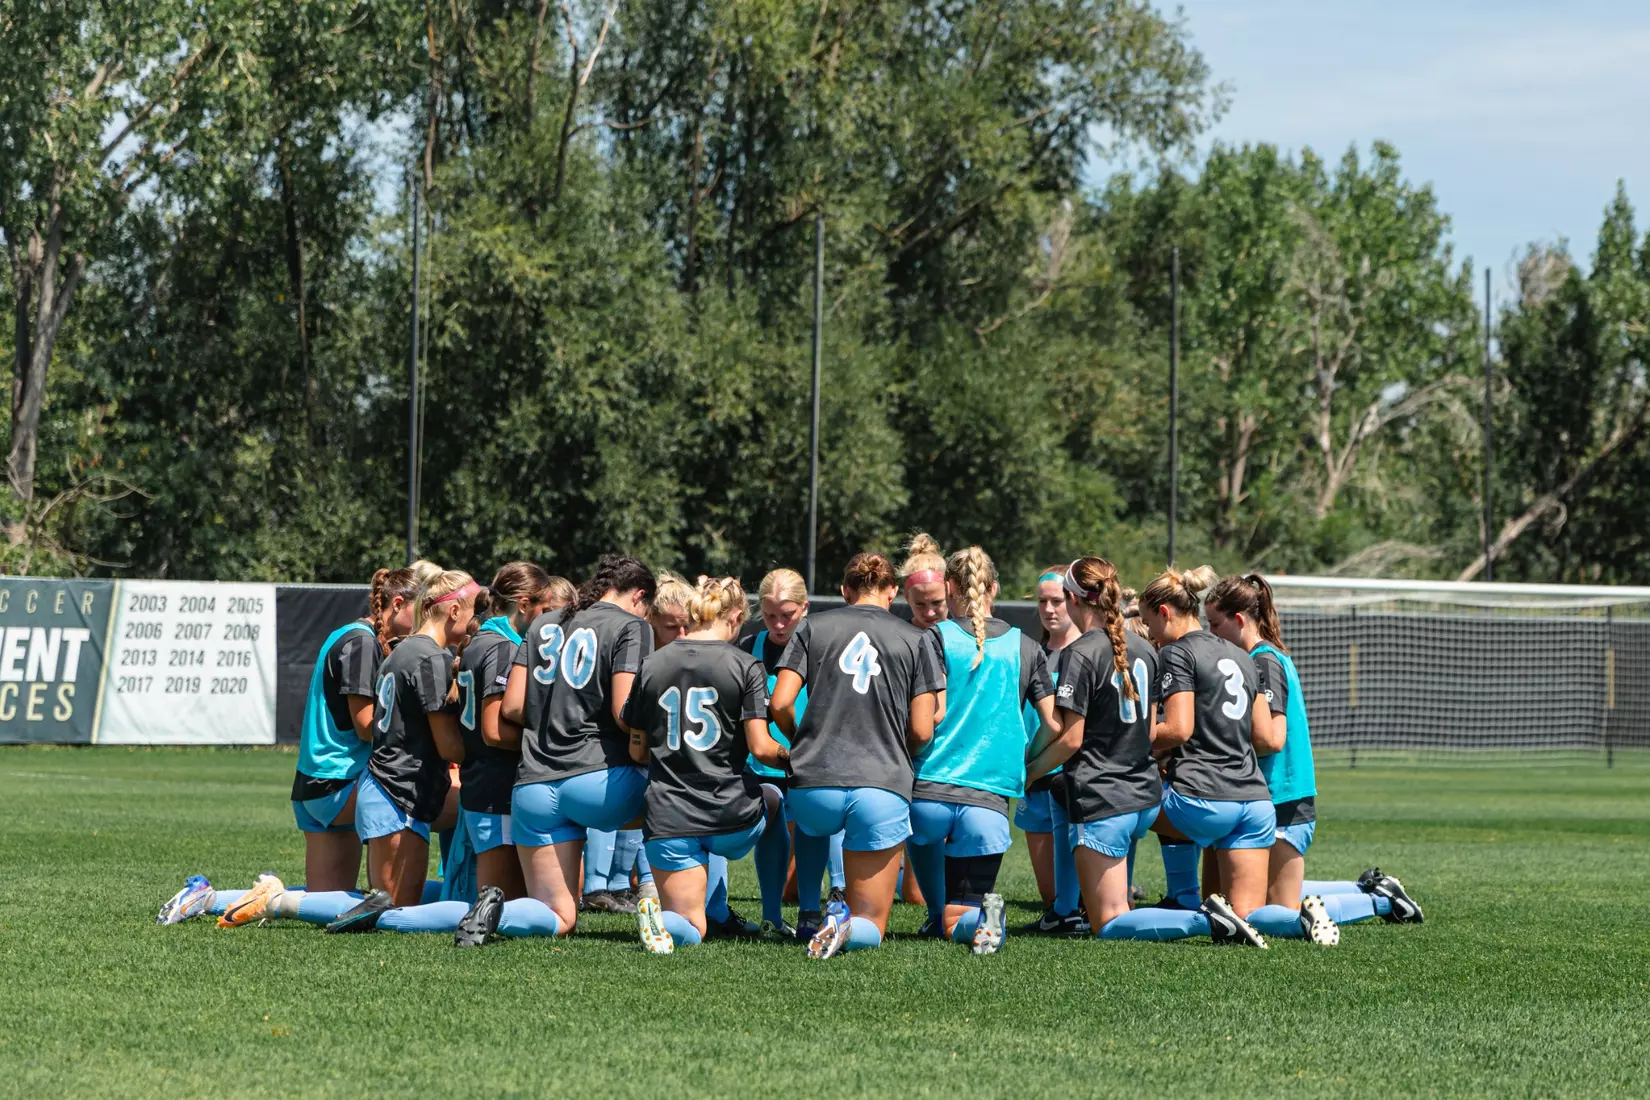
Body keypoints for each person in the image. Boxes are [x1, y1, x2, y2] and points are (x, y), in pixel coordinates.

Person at [1205, 574, 1421, 935]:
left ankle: (1381, 901)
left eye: (1215, 624)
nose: (1211, 634)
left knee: (1272, 911)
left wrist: (1220, 745)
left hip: (1283, 798)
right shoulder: (1264, 657)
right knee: (1258, 901)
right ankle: (1370, 890)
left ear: (1239, 620)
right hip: (1274, 797)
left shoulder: (1263, 662)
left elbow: (1272, 739)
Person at [770, 552, 942, 959]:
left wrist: (801, 740)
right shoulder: (916, 639)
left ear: (845, 590)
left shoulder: (813, 626)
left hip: (814, 784)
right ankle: (842, 922)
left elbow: (779, 703)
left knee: (813, 827)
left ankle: (809, 912)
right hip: (880, 785)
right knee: (871, 924)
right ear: (893, 591)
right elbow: (922, 728)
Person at [908, 546, 1056, 953]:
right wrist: (1030, 761)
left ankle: (940, 916)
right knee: (964, 913)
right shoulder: (1026, 646)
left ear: (950, 587)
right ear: (994, 588)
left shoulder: (935, 637)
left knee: (942, 913)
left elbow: (931, 716)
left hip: (928, 793)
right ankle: (981, 917)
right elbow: (1055, 723)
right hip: (989, 799)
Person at [624, 576, 782, 952]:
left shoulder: (652, 664)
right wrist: (797, 757)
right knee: (775, 797)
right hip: (730, 815)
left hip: (669, 816)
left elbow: (637, 751)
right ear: (737, 615)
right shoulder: (746, 664)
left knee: (692, 927)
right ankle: (774, 917)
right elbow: (761, 748)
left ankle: (664, 921)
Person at [503, 555, 658, 940]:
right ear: (639, 596)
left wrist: (555, 714)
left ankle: (496, 913)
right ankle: (667, 905)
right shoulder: (632, 625)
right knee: (686, 799)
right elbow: (625, 711)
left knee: (558, 917)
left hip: (534, 785)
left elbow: (512, 705)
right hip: (601, 782)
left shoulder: (542, 622)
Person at [1131, 565, 1280, 947]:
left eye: (1149, 623)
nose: (1149, 634)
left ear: (1165, 614)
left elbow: (1179, 729)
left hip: (1202, 801)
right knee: (1240, 917)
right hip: (1254, 803)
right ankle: (1301, 920)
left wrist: (1131, 738)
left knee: (1115, 808)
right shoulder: (1245, 656)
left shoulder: (1177, 653)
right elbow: (1262, 735)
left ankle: (1097, 903)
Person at [326, 567, 476, 929]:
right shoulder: (431, 659)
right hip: (398, 793)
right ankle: (282, 901)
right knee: (394, 913)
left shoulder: (403, 650)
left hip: (387, 788)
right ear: (454, 611)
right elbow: (448, 746)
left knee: (387, 903)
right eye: (474, 613)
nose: (476, 625)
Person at [1025, 557, 1165, 942]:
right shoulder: (1145, 648)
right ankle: (1064, 911)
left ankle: (1205, 919)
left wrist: (1030, 771)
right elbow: (1150, 731)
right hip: (1142, 797)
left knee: (1110, 924)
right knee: (1059, 795)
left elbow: (1071, 739)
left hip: (1105, 800)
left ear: (1072, 600)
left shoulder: (1081, 652)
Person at [290, 566, 422, 892]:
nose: (424, 622)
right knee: (457, 800)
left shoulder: (349, 633)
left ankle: (211, 899)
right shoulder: (362, 643)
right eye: (420, 612)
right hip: (340, 783)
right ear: (398, 603)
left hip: (315, 785)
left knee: (326, 902)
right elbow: (366, 726)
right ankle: (471, 892)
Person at [455, 563, 555, 903]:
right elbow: (494, 731)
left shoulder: (486, 639)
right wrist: (547, 746)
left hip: (485, 784)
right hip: (494, 786)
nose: (548, 618)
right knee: (492, 906)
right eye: (545, 608)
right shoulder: (502, 648)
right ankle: (390, 914)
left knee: (503, 901)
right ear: (524, 604)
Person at [1017, 564, 1087, 937]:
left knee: (1084, 903)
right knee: (1053, 901)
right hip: (1035, 781)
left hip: (1075, 784)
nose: (1049, 609)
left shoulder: (1089, 652)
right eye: (1042, 601)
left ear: (1072, 601)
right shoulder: (1031, 654)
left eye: (1057, 601)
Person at [740, 567, 810, 937]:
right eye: (770, 616)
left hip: (808, 763)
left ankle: (832, 896)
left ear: (805, 608)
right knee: (769, 832)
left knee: (818, 828)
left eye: (788, 615)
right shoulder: (748, 647)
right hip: (760, 764)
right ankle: (770, 914)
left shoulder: (821, 648)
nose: (779, 625)